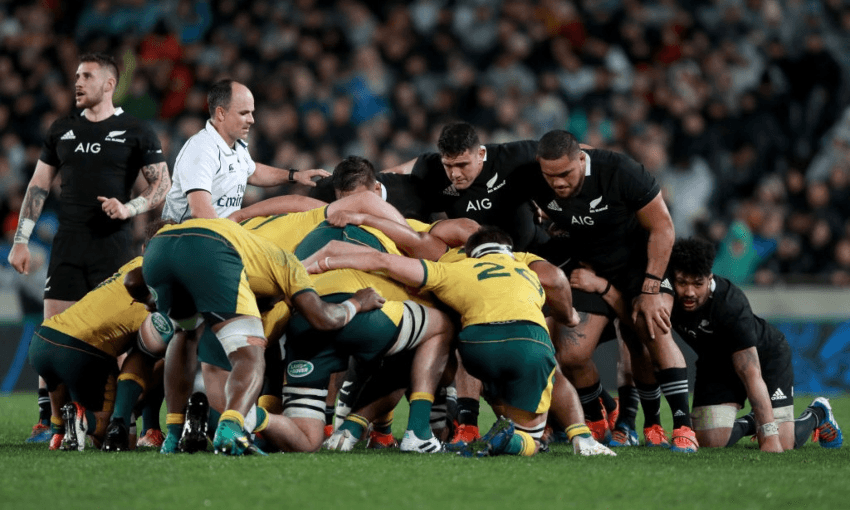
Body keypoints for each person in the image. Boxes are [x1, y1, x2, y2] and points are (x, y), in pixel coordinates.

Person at [311, 226, 615, 457]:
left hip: (475, 349)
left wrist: (322, 262)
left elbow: (384, 260)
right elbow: (555, 279)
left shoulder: (452, 264)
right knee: (544, 395)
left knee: (423, 346)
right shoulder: (525, 262)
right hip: (527, 342)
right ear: (508, 250)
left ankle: (364, 424)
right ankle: (579, 438)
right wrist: (570, 316)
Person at [8, 52, 170, 443]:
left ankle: (122, 421)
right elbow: (38, 186)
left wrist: (128, 207)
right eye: (76, 76)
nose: (77, 82)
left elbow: (161, 185)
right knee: (51, 333)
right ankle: (50, 422)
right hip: (67, 246)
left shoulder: (136, 130)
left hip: (113, 250)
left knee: (120, 342)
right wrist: (21, 240)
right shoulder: (61, 129)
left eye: (87, 76)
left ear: (109, 84)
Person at [128, 217, 382, 455]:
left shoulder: (249, 244)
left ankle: (173, 433)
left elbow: (132, 280)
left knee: (185, 332)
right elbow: (324, 318)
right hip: (215, 253)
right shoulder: (287, 263)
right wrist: (357, 302)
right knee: (250, 354)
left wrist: (151, 299)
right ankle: (232, 427)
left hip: (161, 249)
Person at [570, 237, 844, 451]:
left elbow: (751, 373)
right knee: (711, 440)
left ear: (710, 278)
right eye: (682, 283)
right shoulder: (667, 297)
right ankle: (754, 422)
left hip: (765, 357)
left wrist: (770, 434)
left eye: (697, 284)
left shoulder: (730, 304)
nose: (689, 292)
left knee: (782, 442)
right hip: (715, 364)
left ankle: (817, 413)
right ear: (672, 279)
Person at [529, 129, 697, 452]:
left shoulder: (622, 172)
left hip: (640, 267)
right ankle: (596, 416)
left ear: (582, 158)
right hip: (591, 269)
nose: (558, 183)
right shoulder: (538, 178)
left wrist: (649, 289)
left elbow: (663, 227)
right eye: (550, 176)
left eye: (565, 173)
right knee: (573, 354)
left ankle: (683, 426)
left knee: (652, 330)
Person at [161, 79, 329, 223]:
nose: (251, 120)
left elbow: (253, 172)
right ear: (221, 113)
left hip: (219, 233)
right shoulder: (201, 149)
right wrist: (232, 240)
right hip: (187, 239)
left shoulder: (235, 144)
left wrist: (294, 176)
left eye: (251, 113)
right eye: (244, 113)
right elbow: (200, 211)